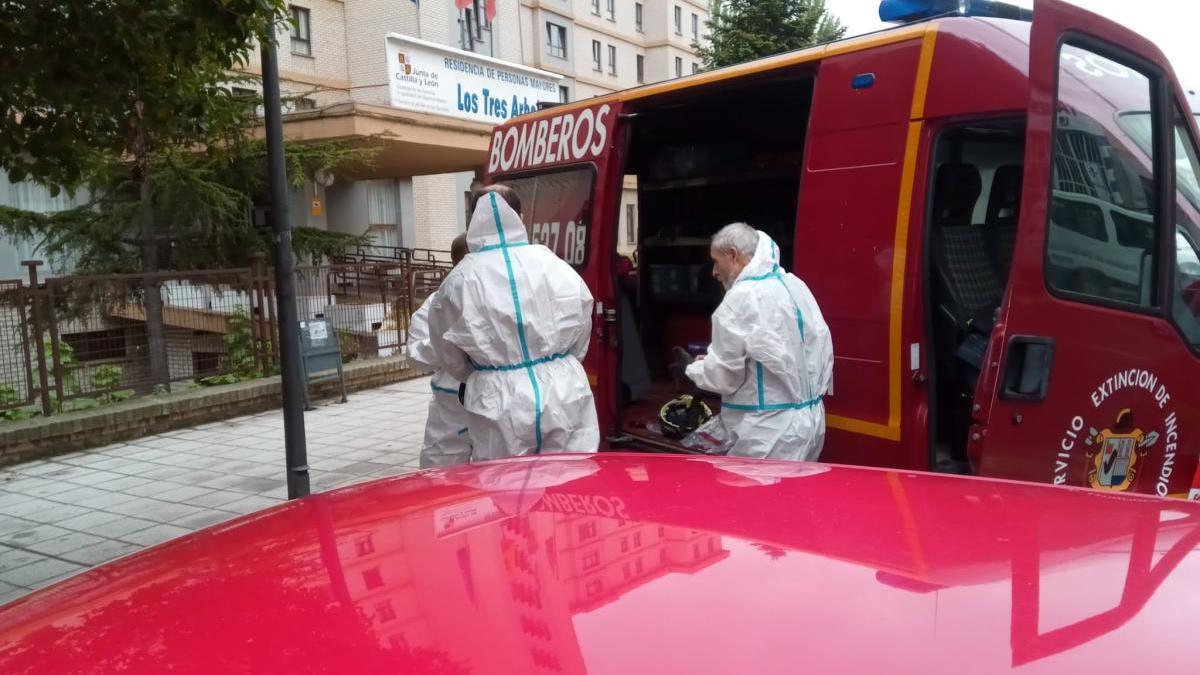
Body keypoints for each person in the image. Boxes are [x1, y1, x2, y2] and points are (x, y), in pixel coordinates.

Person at [427, 184, 599, 460]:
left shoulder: (459, 280)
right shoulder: (551, 263)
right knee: (570, 479)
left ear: (473, 219)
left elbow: (446, 349)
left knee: (506, 486)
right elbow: (583, 316)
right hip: (563, 389)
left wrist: (480, 374)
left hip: (498, 399)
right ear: (519, 217)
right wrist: (562, 363)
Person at [683, 222, 833, 461]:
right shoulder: (794, 285)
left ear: (733, 255)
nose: (713, 271)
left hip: (768, 432)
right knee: (795, 495)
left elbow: (725, 378)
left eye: (716, 261)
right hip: (810, 423)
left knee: (756, 496)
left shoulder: (740, 299)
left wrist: (695, 368)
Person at [408, 234, 471, 468]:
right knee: (442, 475)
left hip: (493, 400)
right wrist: (449, 346)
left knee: (495, 475)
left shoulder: (494, 297)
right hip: (450, 405)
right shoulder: (437, 302)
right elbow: (414, 354)